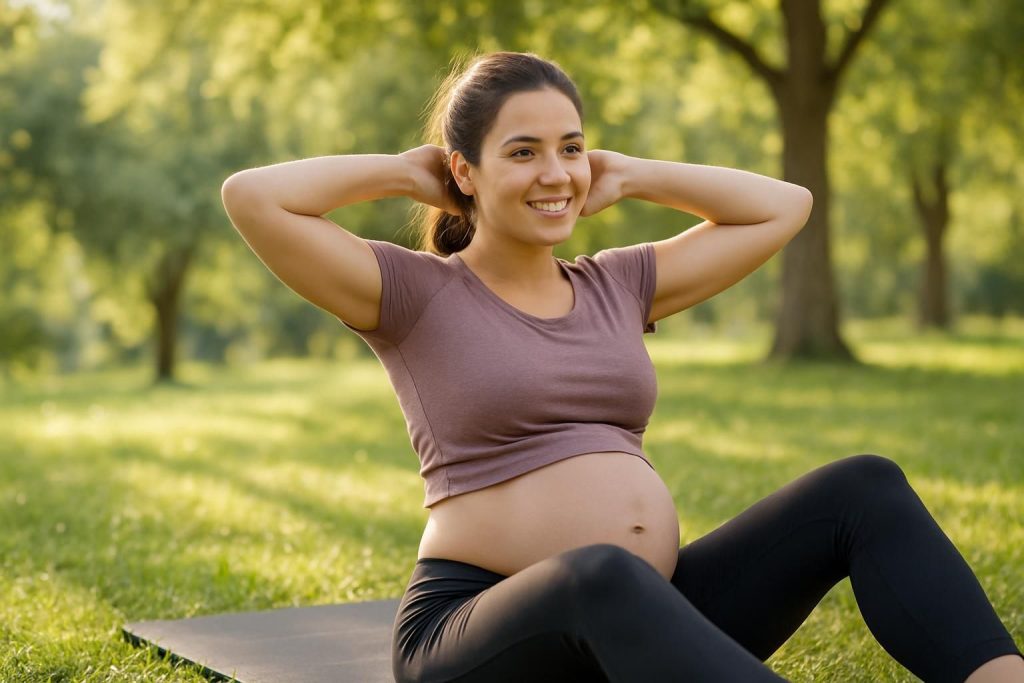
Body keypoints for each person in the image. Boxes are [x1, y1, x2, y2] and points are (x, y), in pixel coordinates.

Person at [221, 51, 1023, 682]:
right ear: (465, 171)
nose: (556, 174)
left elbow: (786, 205)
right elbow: (252, 195)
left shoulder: (618, 281)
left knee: (863, 486)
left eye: (570, 149)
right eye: (523, 151)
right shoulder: (411, 292)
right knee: (596, 574)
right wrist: (405, 171)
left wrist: (633, 175)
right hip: (476, 634)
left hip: (648, 612)